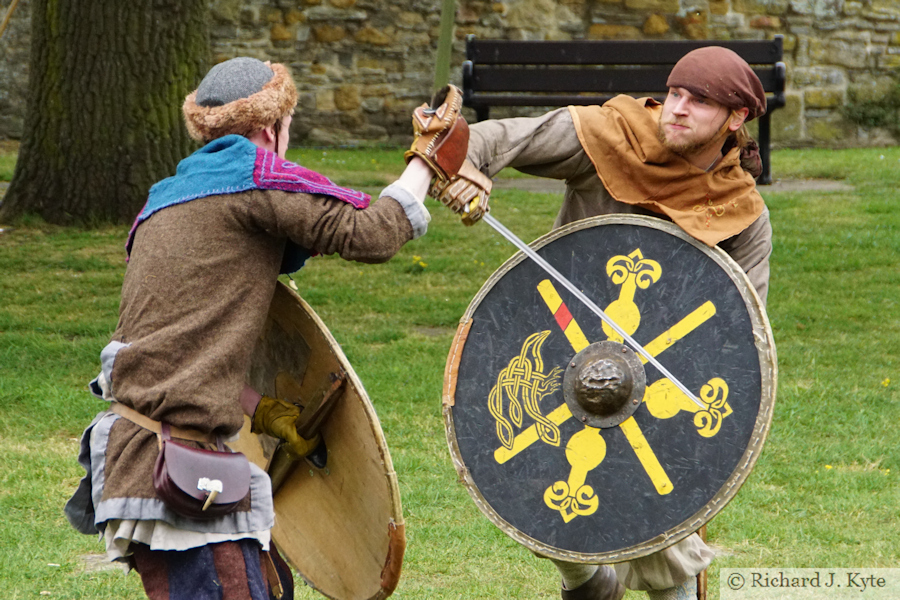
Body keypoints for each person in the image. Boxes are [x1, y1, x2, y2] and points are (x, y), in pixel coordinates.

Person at [65, 57, 467, 600]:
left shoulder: (164, 200)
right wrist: (426, 158)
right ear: (268, 128)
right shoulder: (254, 178)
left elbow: (186, 347)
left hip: (140, 456)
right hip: (175, 471)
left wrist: (261, 408)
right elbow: (371, 234)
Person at [432, 47, 773, 600]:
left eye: (699, 102)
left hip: (660, 382)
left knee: (664, 540)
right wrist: (466, 166)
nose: (677, 109)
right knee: (544, 499)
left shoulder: (741, 213)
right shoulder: (609, 136)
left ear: (735, 119)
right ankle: (589, 582)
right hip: (557, 354)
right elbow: (504, 138)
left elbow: (738, 335)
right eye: (675, 93)